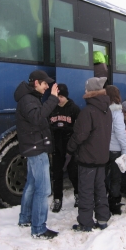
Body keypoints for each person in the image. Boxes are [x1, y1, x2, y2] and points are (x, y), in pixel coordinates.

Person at [15, 70, 59, 239]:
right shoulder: (28, 100)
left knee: (32, 184)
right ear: (36, 83)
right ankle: (39, 228)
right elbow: (37, 117)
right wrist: (53, 99)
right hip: (36, 148)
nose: (47, 87)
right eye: (45, 84)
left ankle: (25, 218)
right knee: (43, 189)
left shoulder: (30, 98)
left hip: (34, 146)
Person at [67, 77, 112, 232]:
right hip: (102, 157)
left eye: (87, 89)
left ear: (91, 92)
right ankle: (102, 219)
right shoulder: (107, 110)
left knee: (86, 190)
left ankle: (85, 223)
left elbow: (80, 135)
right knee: (100, 188)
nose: (84, 91)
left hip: (87, 158)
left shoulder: (88, 112)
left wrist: (70, 147)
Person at [49, 84, 81, 213]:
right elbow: (47, 125)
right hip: (56, 147)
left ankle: (78, 195)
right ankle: (57, 199)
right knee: (57, 174)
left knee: (73, 172)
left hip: (70, 147)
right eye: (57, 96)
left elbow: (79, 129)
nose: (59, 99)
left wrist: (68, 132)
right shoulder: (52, 108)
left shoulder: (73, 108)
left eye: (61, 96)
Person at [105, 85, 126, 215]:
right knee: (115, 178)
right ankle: (114, 205)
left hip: (103, 149)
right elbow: (120, 133)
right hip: (115, 150)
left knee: (102, 177)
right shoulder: (117, 112)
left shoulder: (102, 109)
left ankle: (101, 202)